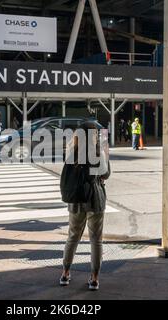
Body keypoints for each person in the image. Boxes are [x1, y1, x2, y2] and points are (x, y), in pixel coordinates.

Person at [60, 121, 111, 291]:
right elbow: (106, 174)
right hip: (94, 199)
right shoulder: (97, 153)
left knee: (73, 236)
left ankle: (65, 273)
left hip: (76, 200)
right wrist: (105, 152)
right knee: (96, 239)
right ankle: (95, 278)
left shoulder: (71, 151)